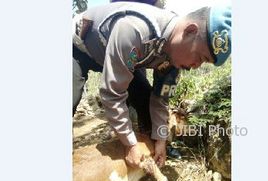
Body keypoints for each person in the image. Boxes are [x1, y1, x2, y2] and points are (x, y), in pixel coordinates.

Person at [72, 1, 231, 168]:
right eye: (200, 57)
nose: (195, 66)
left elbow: (161, 99)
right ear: (190, 31)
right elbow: (112, 92)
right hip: (80, 49)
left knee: (146, 101)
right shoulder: (134, 30)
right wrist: (129, 143)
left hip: (123, 59)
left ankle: (148, 152)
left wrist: (161, 139)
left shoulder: (175, 58)